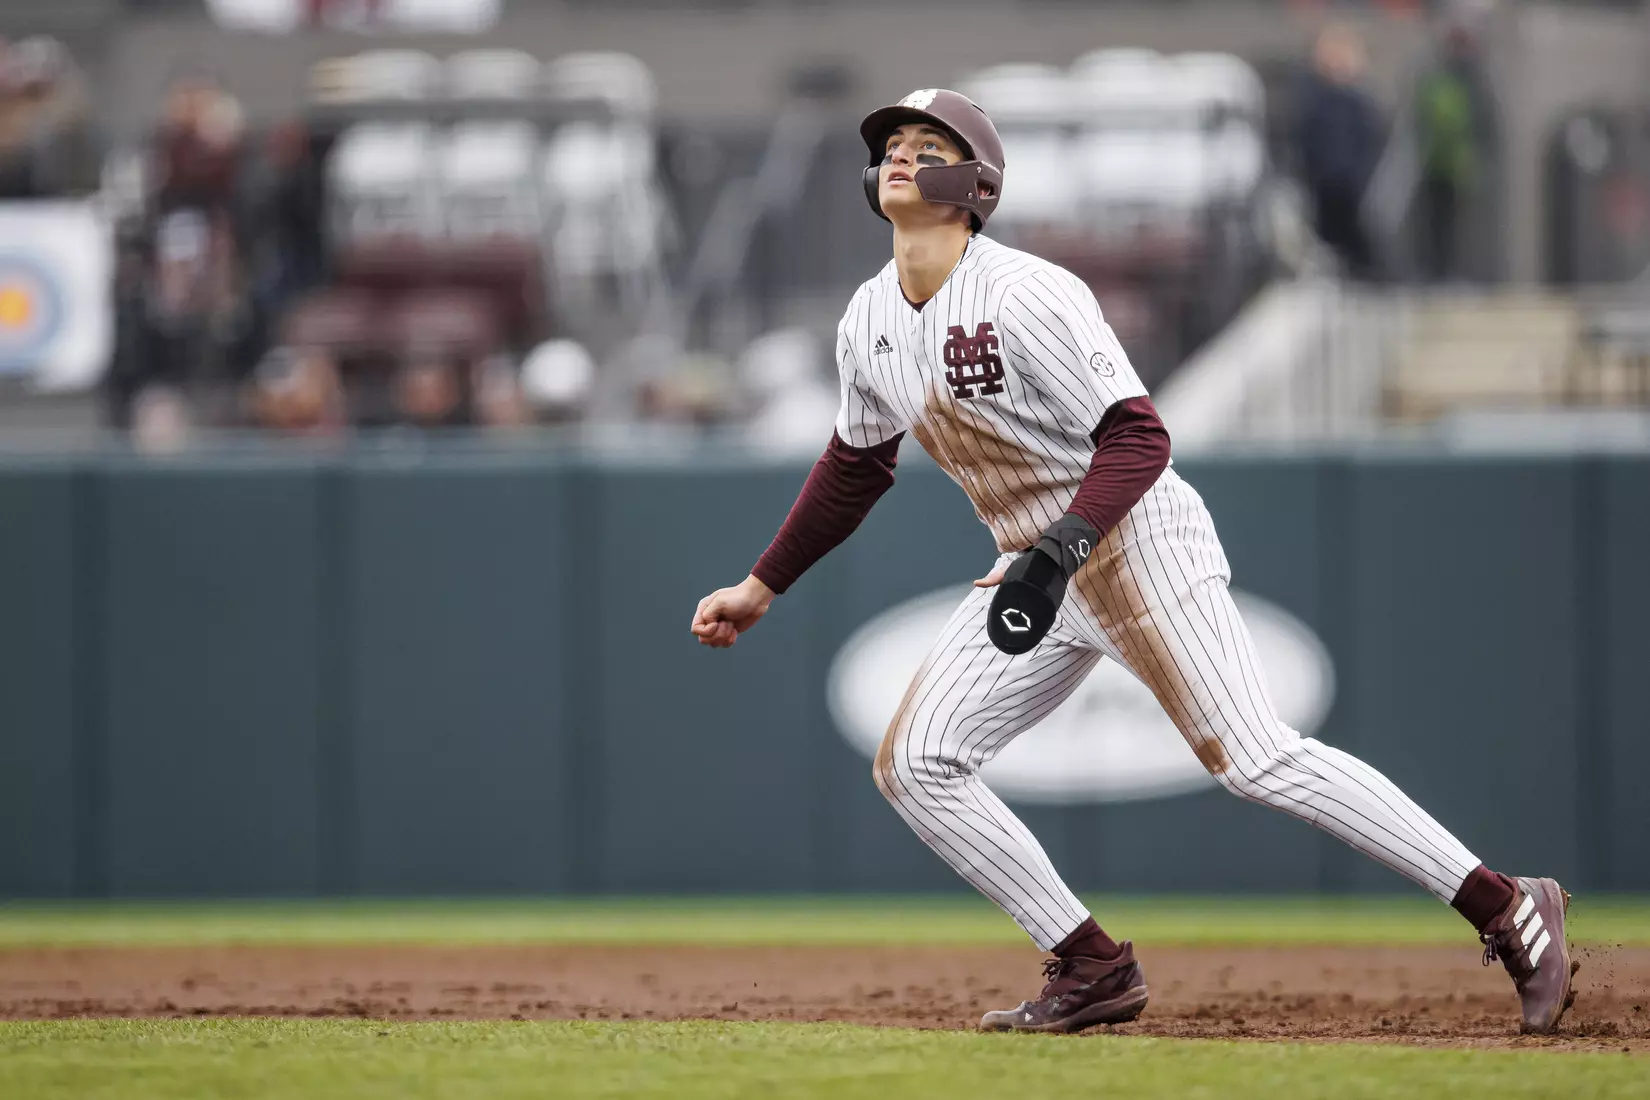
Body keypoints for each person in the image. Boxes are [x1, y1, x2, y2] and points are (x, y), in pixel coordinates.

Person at [689, 88, 1576, 1036]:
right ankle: (1089, 963)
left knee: (1258, 760)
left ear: (974, 180)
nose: (901, 155)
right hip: (1038, 566)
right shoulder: (868, 318)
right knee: (916, 761)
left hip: (1136, 539)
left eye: (926, 143)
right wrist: (761, 584)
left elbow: (1138, 438)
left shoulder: (1027, 292)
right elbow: (855, 466)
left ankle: (1506, 905)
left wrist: (1062, 550)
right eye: (892, 145)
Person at [1296, 25, 1383, 279]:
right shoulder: (1315, 100)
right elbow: (1306, 142)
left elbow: (1369, 140)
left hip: (1353, 185)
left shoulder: (1358, 102)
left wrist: (1362, 175)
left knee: (1358, 242)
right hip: (1324, 185)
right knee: (1327, 243)